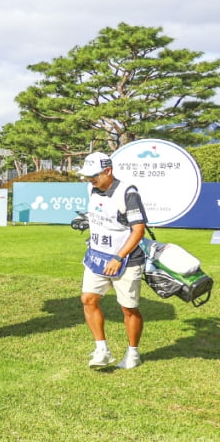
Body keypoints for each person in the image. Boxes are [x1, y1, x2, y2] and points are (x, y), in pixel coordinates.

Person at [76, 152, 147, 369]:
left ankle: (133, 353)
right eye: (87, 176)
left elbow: (138, 230)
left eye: (94, 175)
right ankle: (101, 349)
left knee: (128, 309)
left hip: (126, 260)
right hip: (97, 257)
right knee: (88, 299)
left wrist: (119, 257)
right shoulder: (91, 189)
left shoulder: (128, 192)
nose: (91, 180)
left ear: (108, 171)